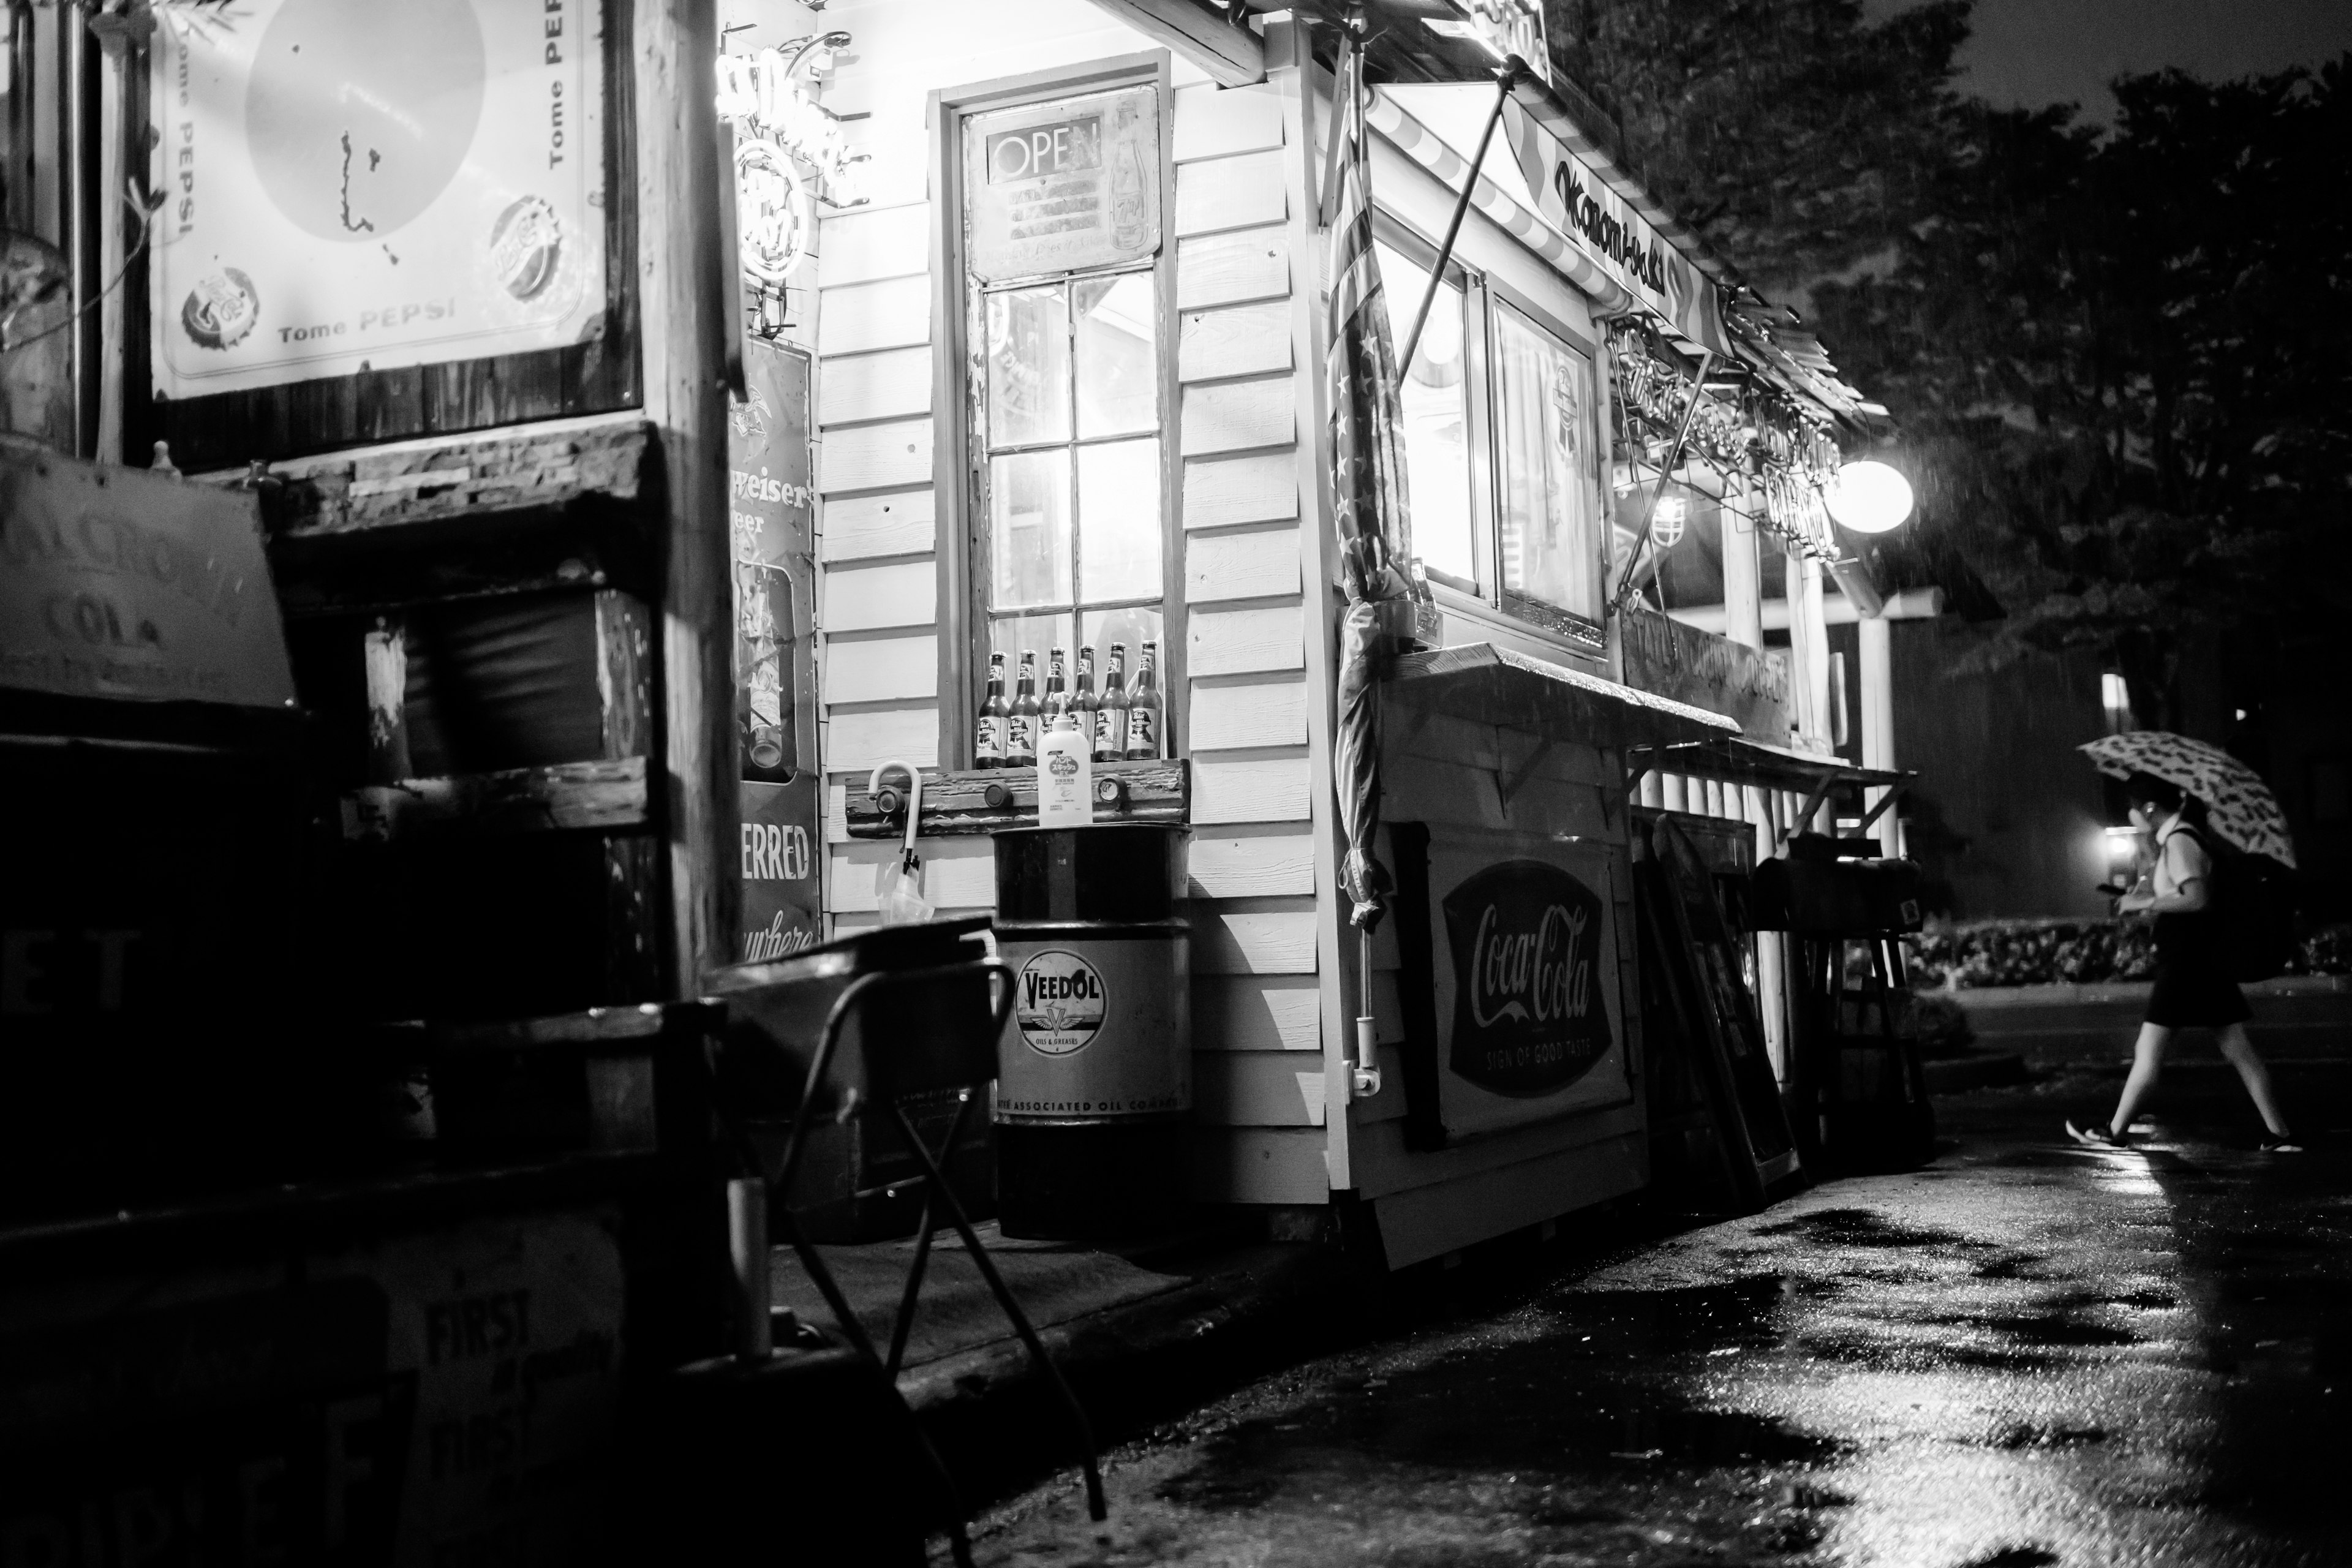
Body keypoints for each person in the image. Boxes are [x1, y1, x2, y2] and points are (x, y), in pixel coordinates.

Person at [2067, 773, 2300, 1152]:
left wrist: (2144, 903)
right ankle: (2281, 1135)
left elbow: (2196, 899)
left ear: (2149, 809)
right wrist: (2143, 895)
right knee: (2238, 1051)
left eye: (2132, 806)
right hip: (2201, 962)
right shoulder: (2177, 840)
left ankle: (2116, 1131)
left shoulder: (2180, 841)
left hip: (2188, 965)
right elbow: (2181, 897)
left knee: (2150, 1050)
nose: (2130, 813)